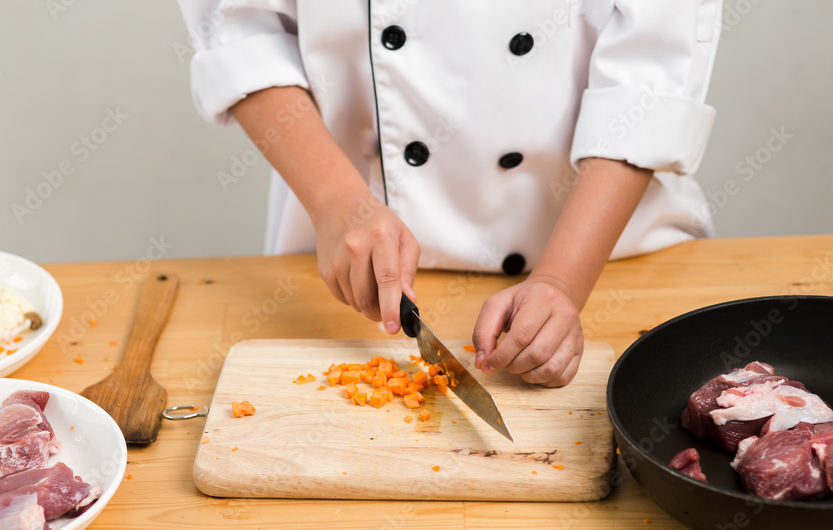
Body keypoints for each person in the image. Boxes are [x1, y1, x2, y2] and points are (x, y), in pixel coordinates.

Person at [178, 1, 723, 386]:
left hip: (608, 246)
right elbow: (242, 32)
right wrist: (338, 202)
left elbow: (650, 72)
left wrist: (561, 279)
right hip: (348, 234)